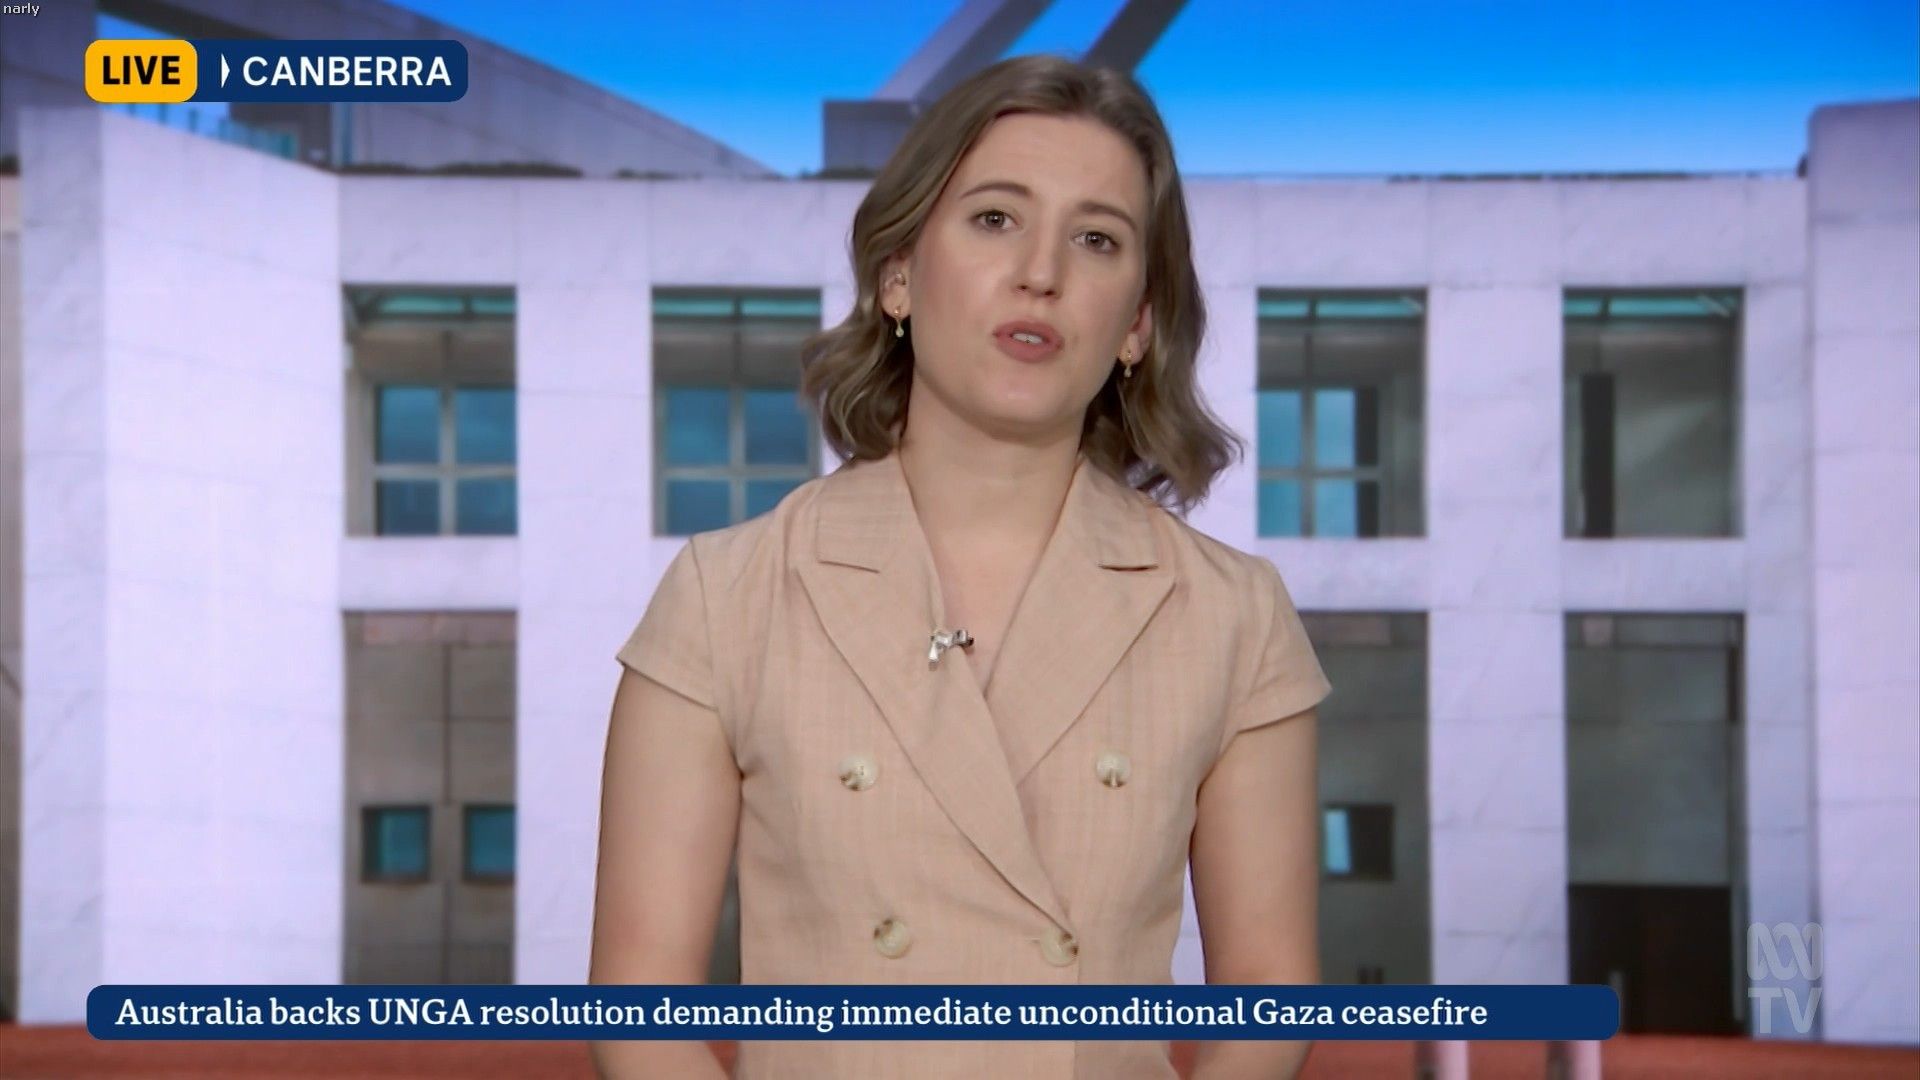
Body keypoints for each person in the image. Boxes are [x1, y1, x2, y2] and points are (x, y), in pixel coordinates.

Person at [589, 53, 1332, 1080]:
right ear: (899, 274)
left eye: (1097, 239)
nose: (1041, 272)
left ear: (1137, 324)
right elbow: (640, 1004)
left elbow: (1269, 999)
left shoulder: (1234, 615)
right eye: (994, 219)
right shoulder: (728, 595)